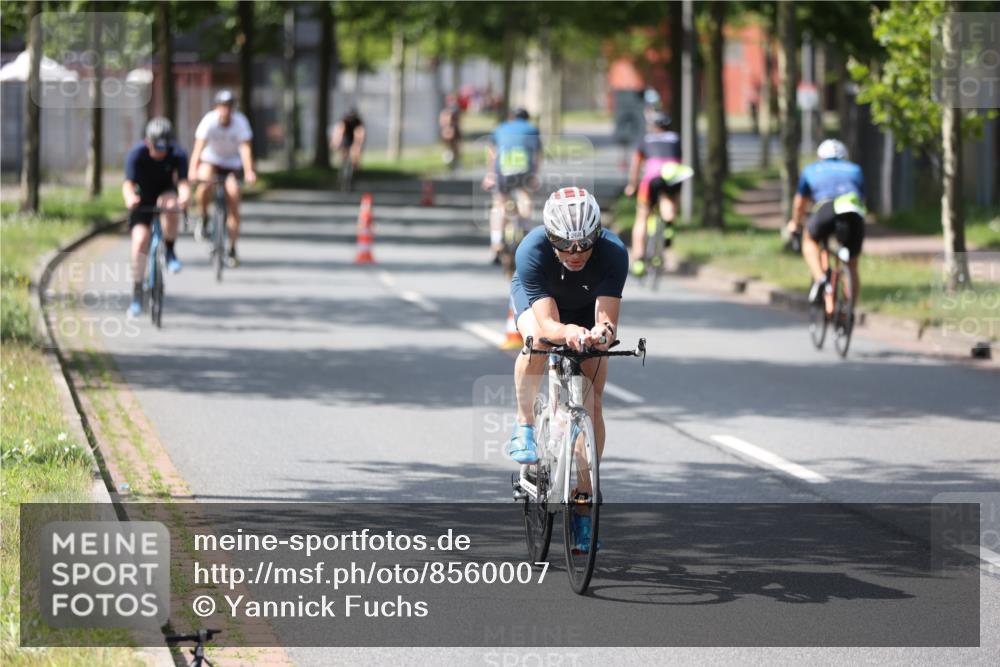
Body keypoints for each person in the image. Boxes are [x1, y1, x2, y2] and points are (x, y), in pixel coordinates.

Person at [506, 187, 628, 551]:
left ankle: (583, 505)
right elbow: (547, 325)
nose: (575, 254)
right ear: (550, 236)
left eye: (584, 244)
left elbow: (607, 323)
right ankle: (525, 423)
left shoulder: (613, 253)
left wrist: (599, 335)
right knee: (540, 344)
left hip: (585, 308)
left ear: (597, 236)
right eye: (565, 244)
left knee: (592, 405)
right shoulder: (532, 250)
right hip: (541, 308)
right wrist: (567, 332)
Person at [786, 139, 865, 316]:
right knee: (852, 264)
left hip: (826, 209)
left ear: (820, 157)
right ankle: (849, 309)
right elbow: (862, 196)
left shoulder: (811, 169)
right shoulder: (855, 169)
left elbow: (800, 203)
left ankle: (821, 278)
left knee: (810, 240)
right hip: (853, 212)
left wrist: (795, 223)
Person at [122, 117, 190, 318]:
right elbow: (128, 183)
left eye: (164, 147)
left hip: (165, 192)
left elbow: (184, 183)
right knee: (140, 241)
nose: (160, 152)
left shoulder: (177, 153)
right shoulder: (137, 154)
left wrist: (185, 197)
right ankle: (136, 292)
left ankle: (169, 250)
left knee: (171, 206)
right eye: (156, 146)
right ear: (148, 141)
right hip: (142, 199)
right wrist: (130, 197)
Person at [190, 89, 256, 267]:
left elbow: (245, 149)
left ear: (233, 108)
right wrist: (192, 170)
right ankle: (203, 218)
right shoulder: (209, 121)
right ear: (217, 107)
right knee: (204, 184)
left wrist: (249, 171)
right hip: (212, 160)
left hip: (232, 165)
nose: (226, 110)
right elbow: (198, 147)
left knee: (234, 198)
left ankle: (232, 248)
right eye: (223, 106)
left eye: (229, 106)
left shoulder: (240, 122)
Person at [482, 108, 542, 263]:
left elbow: (492, 154)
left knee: (499, 204)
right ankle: (525, 233)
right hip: (524, 171)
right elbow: (537, 156)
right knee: (525, 199)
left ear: (511, 118)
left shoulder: (500, 128)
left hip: (503, 170)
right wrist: (534, 176)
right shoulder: (532, 130)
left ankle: (496, 243)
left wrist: (490, 175)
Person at [624, 113, 681, 276]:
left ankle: (639, 260)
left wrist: (632, 185)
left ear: (653, 127)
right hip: (674, 174)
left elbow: (636, 165)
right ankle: (669, 223)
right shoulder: (676, 139)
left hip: (652, 177)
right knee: (668, 200)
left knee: (642, 217)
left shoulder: (646, 139)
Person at [331, 107, 366, 171]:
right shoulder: (344, 121)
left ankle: (356, 169)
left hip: (354, 137)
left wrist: (357, 146)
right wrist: (336, 143)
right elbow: (339, 132)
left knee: (356, 155)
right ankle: (343, 168)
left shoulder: (358, 121)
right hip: (346, 137)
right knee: (344, 154)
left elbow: (360, 133)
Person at [438, 94, 462, 170]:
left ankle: (455, 161)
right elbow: (442, 122)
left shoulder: (454, 111)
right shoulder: (445, 112)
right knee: (448, 147)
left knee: (455, 147)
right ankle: (450, 160)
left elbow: (457, 121)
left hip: (453, 132)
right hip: (447, 132)